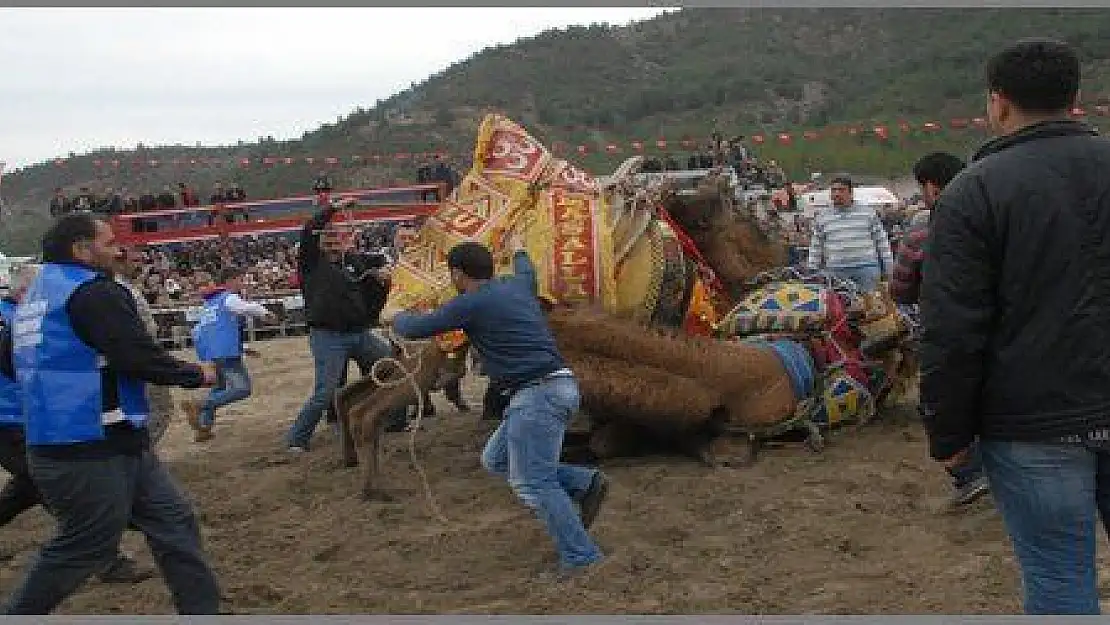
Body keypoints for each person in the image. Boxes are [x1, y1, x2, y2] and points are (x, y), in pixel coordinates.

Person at [920, 38, 1110, 615]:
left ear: (998, 104)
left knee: (1058, 579)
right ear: (1076, 98)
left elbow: (953, 330)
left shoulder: (973, 193)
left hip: (1031, 427)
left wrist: (948, 434)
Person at [0, 213, 221, 614]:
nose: (117, 249)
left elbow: (10, 361)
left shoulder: (34, 299)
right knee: (84, 545)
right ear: (80, 250)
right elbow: (135, 355)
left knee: (174, 521)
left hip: (92, 438)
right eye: (107, 242)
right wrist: (195, 374)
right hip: (89, 445)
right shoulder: (94, 292)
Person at [386, 238, 610, 581]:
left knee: (534, 481)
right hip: (557, 387)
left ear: (459, 274)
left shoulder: (471, 303)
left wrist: (394, 314)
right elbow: (527, 269)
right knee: (496, 460)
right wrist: (521, 247)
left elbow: (416, 327)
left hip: (536, 396)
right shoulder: (518, 286)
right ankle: (584, 482)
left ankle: (581, 556)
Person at [0, 264, 149, 584]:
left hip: (29, 416)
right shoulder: (15, 317)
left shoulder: (18, 315)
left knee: (27, 487)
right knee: (58, 490)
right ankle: (106, 559)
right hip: (12, 417)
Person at [890, 152, 990, 510]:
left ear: (930, 186)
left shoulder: (921, 230)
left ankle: (969, 472)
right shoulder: (993, 217)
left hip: (944, 334)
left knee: (941, 403)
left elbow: (900, 288)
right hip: (1000, 329)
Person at [286, 200, 394, 452]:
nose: (333, 241)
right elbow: (309, 229)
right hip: (328, 336)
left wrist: (380, 274)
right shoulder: (311, 263)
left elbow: (378, 266)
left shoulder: (354, 261)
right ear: (319, 241)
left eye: (336, 237)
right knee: (325, 391)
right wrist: (333, 208)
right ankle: (297, 439)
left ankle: (392, 421)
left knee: (390, 368)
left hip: (360, 334)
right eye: (327, 237)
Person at [184, 266, 276, 442]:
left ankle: (203, 427)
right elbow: (247, 308)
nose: (242, 283)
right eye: (240, 279)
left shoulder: (210, 303)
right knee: (242, 389)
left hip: (211, 354)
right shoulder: (228, 298)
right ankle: (201, 405)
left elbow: (205, 331)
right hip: (226, 353)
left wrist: (242, 348)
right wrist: (266, 314)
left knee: (219, 388)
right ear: (230, 281)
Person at [111, 247, 176, 447]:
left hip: (142, 354)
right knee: (159, 408)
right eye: (135, 261)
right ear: (120, 263)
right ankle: (140, 452)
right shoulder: (119, 289)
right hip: (142, 357)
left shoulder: (126, 287)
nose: (140, 266)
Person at [806, 175, 894, 292]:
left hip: (867, 268)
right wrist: (812, 268)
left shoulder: (868, 213)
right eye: (833, 190)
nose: (836, 194)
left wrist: (889, 267)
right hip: (836, 271)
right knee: (839, 307)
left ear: (850, 192)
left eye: (841, 190)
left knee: (872, 307)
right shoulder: (822, 216)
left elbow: (881, 241)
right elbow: (816, 245)